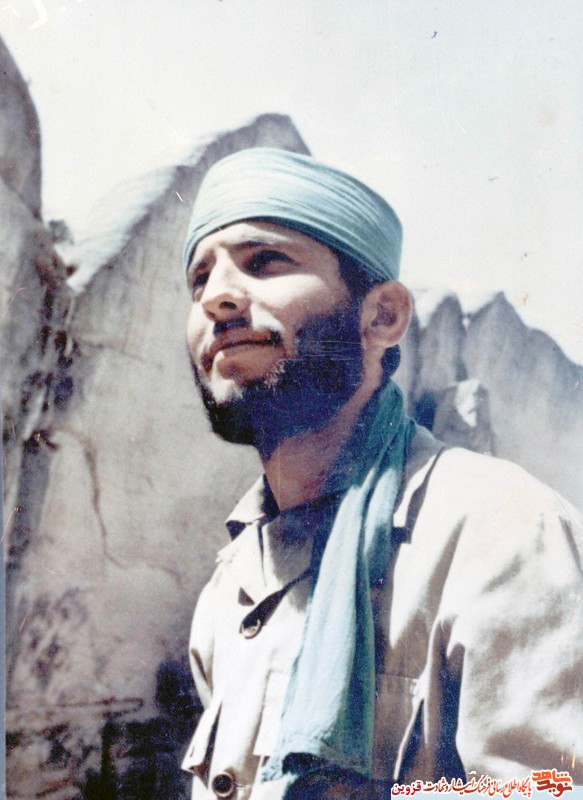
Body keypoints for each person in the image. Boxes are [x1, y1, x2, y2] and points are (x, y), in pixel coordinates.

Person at [179, 148, 583, 800]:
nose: (216, 297)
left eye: (265, 261)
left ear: (383, 316)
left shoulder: (503, 536)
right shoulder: (233, 583)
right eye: (198, 279)